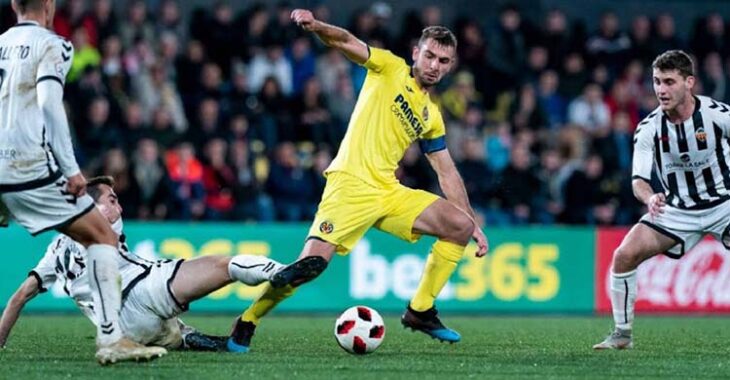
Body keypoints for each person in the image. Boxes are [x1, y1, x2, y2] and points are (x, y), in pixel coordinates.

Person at [227, 8, 489, 353]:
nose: (434, 65)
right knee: (309, 267)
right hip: (350, 184)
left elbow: (446, 170)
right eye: (429, 56)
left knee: (457, 226)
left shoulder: (431, 116)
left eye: (443, 60)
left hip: (388, 191)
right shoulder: (389, 68)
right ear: (416, 53)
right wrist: (316, 25)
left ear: (450, 65)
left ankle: (420, 310)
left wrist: (472, 222)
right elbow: (346, 41)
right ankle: (248, 320)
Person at [0, 0, 165, 364]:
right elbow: (48, 103)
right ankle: (111, 339)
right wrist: (71, 169)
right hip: (30, 169)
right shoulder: (53, 45)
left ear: (13, 5)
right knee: (102, 236)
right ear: (49, 5)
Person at [0, 176, 284, 351]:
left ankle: (189, 337)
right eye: (112, 200)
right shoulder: (106, 226)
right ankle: (279, 271)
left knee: (172, 330)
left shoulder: (53, 254)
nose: (119, 208)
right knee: (222, 265)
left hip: (125, 331)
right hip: (142, 291)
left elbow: (18, 299)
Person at [594, 50, 730, 349]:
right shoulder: (648, 129)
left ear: (689, 82)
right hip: (677, 210)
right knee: (623, 255)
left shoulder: (718, 116)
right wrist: (650, 197)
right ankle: (622, 334)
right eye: (656, 82)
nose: (661, 90)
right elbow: (638, 181)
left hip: (725, 205)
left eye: (669, 82)